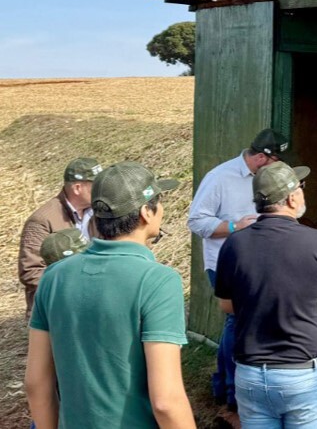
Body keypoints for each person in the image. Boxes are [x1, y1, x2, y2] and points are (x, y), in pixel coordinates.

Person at [25, 162, 194, 428]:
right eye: (159, 202)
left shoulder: (53, 277)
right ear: (146, 213)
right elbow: (166, 401)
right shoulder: (158, 282)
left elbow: (36, 384)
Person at [215, 161, 317, 429]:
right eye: (301, 188)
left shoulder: (234, 244)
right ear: (291, 197)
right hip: (302, 375)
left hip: (251, 374)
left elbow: (226, 305)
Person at [187, 127, 289, 414]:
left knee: (236, 325)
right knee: (237, 324)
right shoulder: (220, 178)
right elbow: (196, 221)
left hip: (261, 263)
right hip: (226, 264)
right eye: (274, 163)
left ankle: (223, 386)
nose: (278, 170)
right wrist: (235, 227)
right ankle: (233, 394)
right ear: (259, 158)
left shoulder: (271, 174)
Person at [18, 157, 101, 318]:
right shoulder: (42, 220)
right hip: (56, 310)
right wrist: (77, 288)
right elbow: (31, 272)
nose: (101, 190)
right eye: (95, 186)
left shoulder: (98, 211)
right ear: (77, 188)